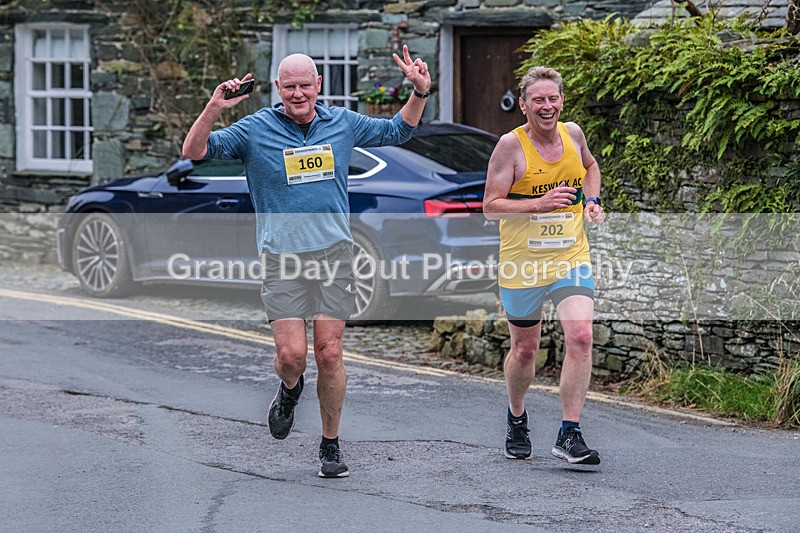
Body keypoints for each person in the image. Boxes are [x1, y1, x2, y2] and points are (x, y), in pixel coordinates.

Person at [182, 46, 431, 478]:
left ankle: (330, 445)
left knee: (330, 354)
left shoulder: (342, 123)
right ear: (278, 88)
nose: (298, 94)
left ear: (318, 86)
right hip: (282, 258)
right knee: (293, 355)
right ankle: (289, 389)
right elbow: (194, 152)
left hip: (334, 254)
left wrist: (419, 92)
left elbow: (397, 131)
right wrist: (214, 107)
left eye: (305, 85)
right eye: (289, 86)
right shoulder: (255, 129)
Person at [483, 66, 605, 465]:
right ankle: (517, 415)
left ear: (562, 101)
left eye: (553, 98)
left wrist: (592, 201)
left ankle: (570, 432)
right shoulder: (510, 146)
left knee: (582, 336)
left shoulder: (574, 134)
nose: (547, 106)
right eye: (538, 99)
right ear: (524, 106)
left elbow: (590, 168)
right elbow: (490, 206)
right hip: (523, 264)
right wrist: (537, 203)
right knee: (525, 350)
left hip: (570, 256)